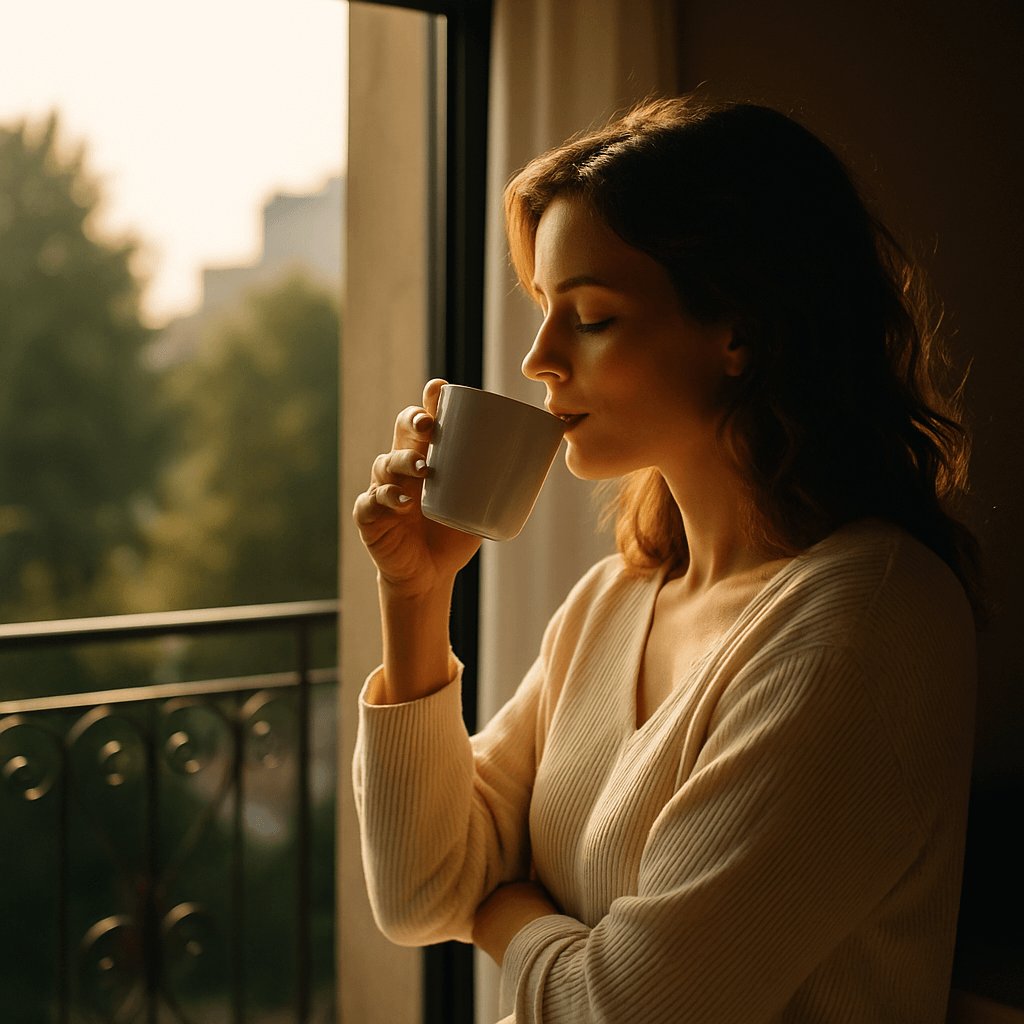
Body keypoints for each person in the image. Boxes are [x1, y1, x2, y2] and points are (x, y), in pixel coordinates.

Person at [351, 94, 983, 1023]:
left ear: (742, 333)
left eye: (592, 317)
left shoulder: (865, 628)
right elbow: (422, 892)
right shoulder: (616, 599)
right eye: (543, 311)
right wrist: (417, 593)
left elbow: (630, 1008)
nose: (538, 358)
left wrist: (508, 916)